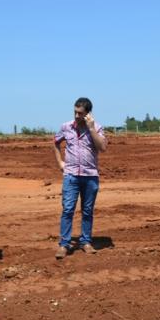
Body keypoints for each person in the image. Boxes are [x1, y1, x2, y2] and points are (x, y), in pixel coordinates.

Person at [53, 97, 108, 259]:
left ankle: (85, 242)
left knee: (87, 210)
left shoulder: (97, 128)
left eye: (80, 113)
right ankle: (64, 244)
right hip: (71, 175)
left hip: (90, 176)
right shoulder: (66, 127)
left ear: (88, 114)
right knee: (68, 209)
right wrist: (60, 162)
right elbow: (55, 143)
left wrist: (91, 129)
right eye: (75, 112)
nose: (77, 116)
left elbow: (103, 147)